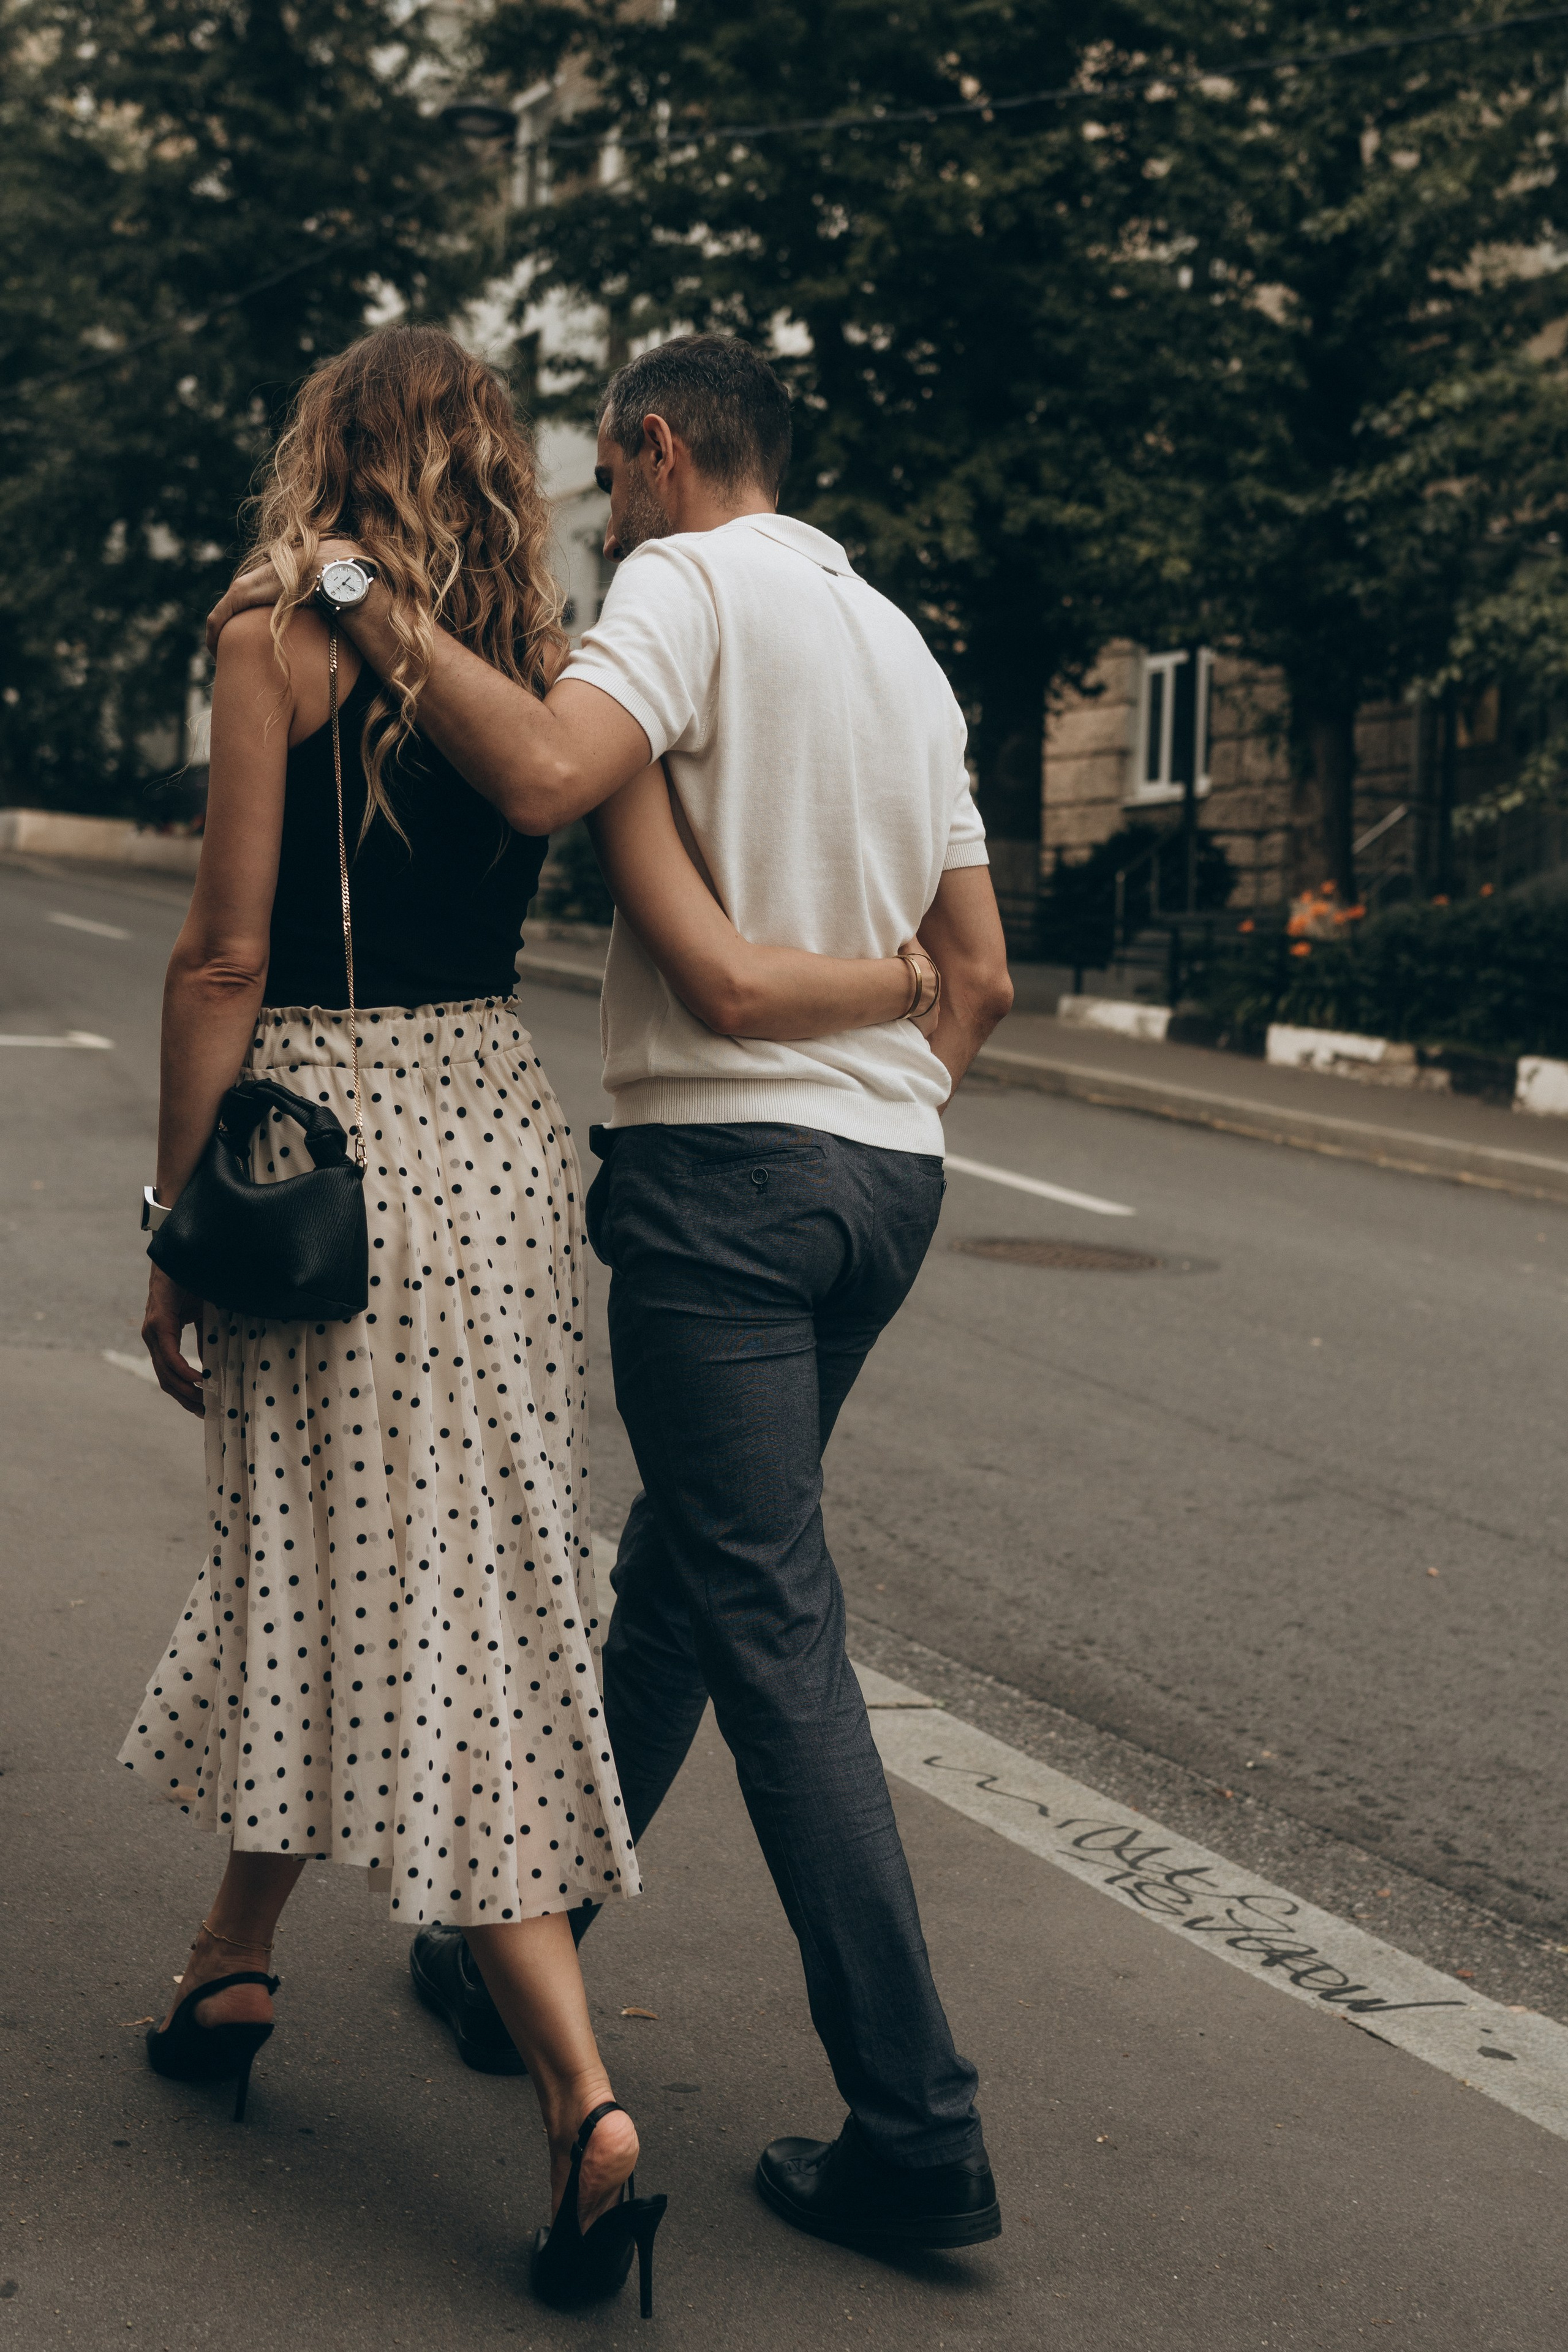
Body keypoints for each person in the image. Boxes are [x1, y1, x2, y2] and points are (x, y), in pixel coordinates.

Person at [127, 324, 941, 2315]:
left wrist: (171, 1219)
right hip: (492, 1138)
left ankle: (582, 2104)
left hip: (322, 1148)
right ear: (496, 475)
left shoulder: (277, 633)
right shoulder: (562, 680)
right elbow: (699, 942)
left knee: (427, 1600)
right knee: (360, 1556)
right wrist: (900, 987)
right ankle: (233, 1964)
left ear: (332, 451)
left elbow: (227, 946)